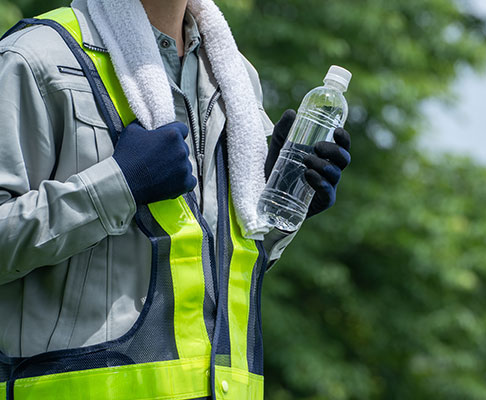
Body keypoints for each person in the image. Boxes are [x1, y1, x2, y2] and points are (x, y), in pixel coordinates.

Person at [0, 0, 351, 398]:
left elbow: (200, 264)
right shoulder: (37, 56)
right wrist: (120, 184)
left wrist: (278, 200)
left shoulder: (235, 77)